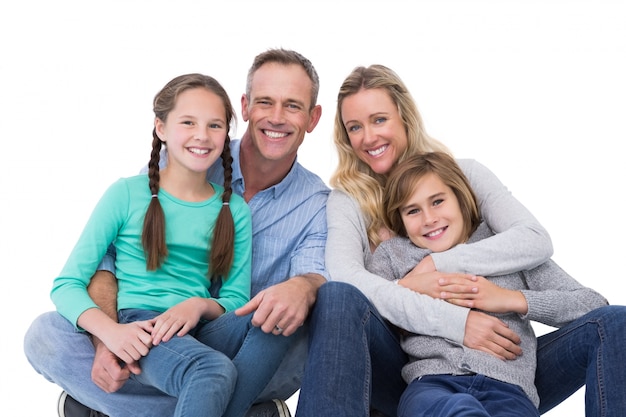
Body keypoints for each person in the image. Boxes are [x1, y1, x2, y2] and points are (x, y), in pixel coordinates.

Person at [296, 64, 626, 417]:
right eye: (354, 127)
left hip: (510, 367)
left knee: (616, 323)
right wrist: (442, 310)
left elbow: (535, 241)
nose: (368, 137)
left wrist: (460, 276)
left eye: (379, 119)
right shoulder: (363, 219)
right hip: (421, 373)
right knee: (337, 297)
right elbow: (350, 283)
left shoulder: (466, 176)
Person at [24, 49, 329, 417]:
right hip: (140, 327)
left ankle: (102, 407)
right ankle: (236, 410)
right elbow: (94, 268)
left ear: (313, 118)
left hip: (214, 334)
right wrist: (107, 337)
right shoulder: (146, 183)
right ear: (246, 108)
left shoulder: (283, 206)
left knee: (281, 321)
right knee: (45, 334)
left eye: (293, 105)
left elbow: (239, 297)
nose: (201, 136)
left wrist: (202, 305)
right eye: (266, 102)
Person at [368, 151, 608, 416]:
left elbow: (594, 305)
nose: (428, 219)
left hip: (509, 388)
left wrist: (510, 298)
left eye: (437, 202)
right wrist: (408, 286)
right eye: (412, 210)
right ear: (399, 218)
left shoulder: (504, 245)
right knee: (457, 409)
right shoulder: (394, 254)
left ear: (460, 198)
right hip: (431, 384)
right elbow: (369, 314)